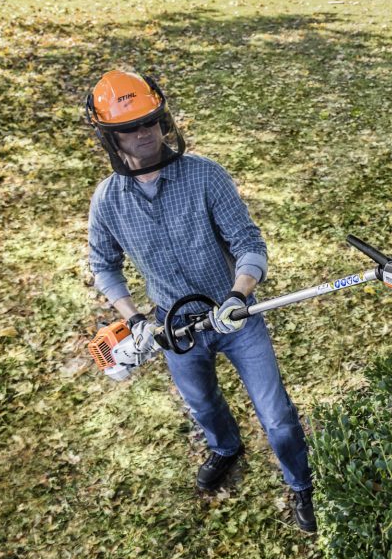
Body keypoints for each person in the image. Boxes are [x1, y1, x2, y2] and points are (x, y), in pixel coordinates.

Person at [84, 70, 316, 532]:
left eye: (150, 120)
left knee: (278, 418)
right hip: (174, 329)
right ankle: (226, 448)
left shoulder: (205, 176)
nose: (143, 132)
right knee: (204, 406)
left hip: (235, 317)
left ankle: (302, 484)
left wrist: (238, 294)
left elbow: (249, 243)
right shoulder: (107, 201)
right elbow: (103, 266)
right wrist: (136, 321)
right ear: (110, 137)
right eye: (129, 127)